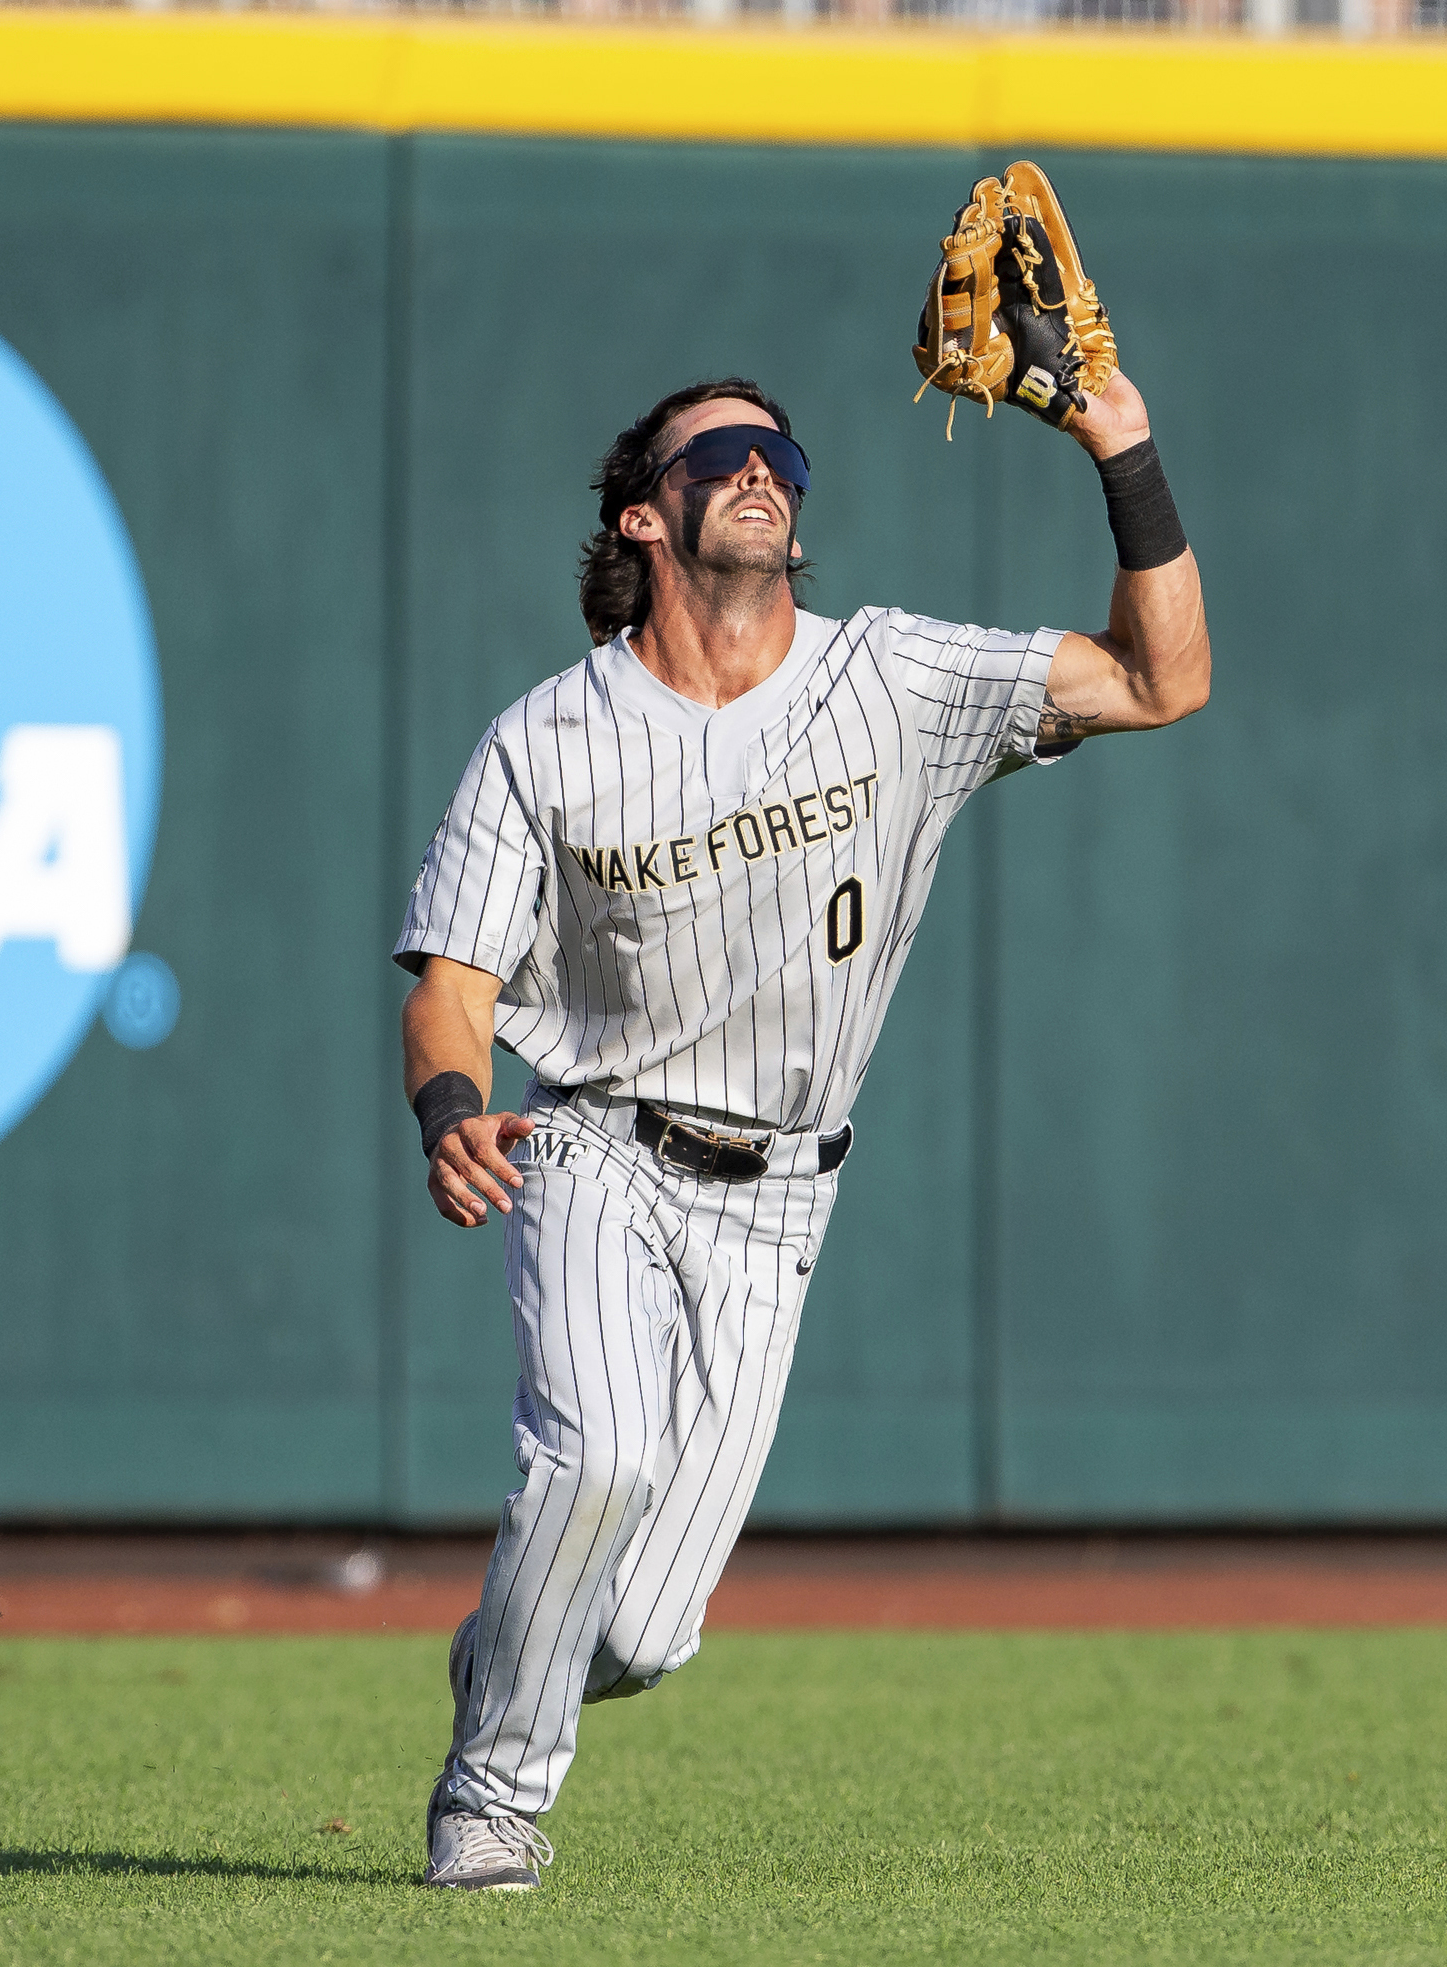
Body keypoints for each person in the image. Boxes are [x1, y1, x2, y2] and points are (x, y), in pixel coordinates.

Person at [392, 370, 1208, 1890]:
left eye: (784, 451)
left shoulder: (890, 679)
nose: (765, 471)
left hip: (779, 1202)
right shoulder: (548, 740)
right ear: (644, 512)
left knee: (636, 1633)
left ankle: (518, 1646)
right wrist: (451, 1102)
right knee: (597, 1459)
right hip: (595, 1148)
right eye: (724, 453)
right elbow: (451, 984)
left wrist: (1123, 445)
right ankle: (491, 1803)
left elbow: (1166, 682)